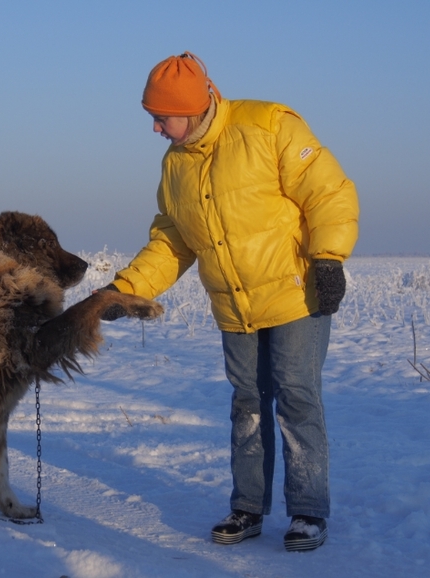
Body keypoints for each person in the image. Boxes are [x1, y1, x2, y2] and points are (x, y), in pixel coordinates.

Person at [103, 52, 359, 551]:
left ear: (192, 107)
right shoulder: (175, 165)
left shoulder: (268, 126)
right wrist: (129, 288)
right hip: (234, 305)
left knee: (297, 397)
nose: (155, 128)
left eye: (161, 117)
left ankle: (308, 511)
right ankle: (247, 507)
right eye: (151, 117)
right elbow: (173, 240)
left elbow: (328, 192)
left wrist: (328, 259)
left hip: (294, 294)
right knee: (247, 404)